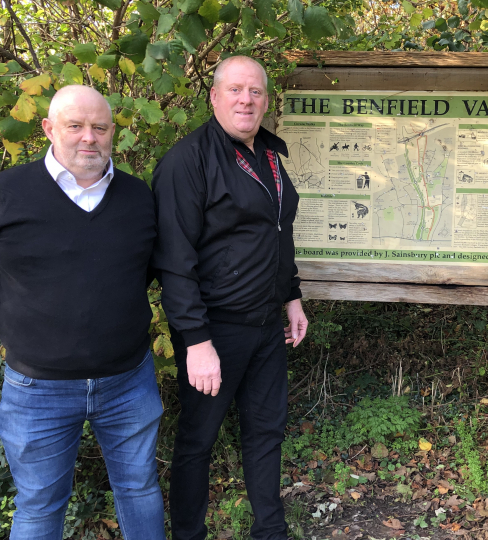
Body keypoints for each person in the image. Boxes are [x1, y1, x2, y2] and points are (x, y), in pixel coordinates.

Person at [0, 85, 164, 540]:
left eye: (100, 127)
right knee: (40, 505)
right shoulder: (3, 194)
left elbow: (139, 271)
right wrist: (17, 322)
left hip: (128, 380)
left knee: (139, 488)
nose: (89, 137)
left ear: (112, 133)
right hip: (37, 390)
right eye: (76, 125)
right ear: (49, 129)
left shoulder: (137, 197)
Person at [151, 55, 308, 540]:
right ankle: (189, 535)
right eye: (236, 90)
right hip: (214, 331)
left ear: (266, 100)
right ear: (214, 97)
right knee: (198, 441)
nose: (246, 99)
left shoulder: (268, 154)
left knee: (266, 432)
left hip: (266, 326)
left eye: (256, 91)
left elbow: (277, 233)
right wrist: (196, 341)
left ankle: (270, 531)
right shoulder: (187, 160)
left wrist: (293, 296)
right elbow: (174, 260)